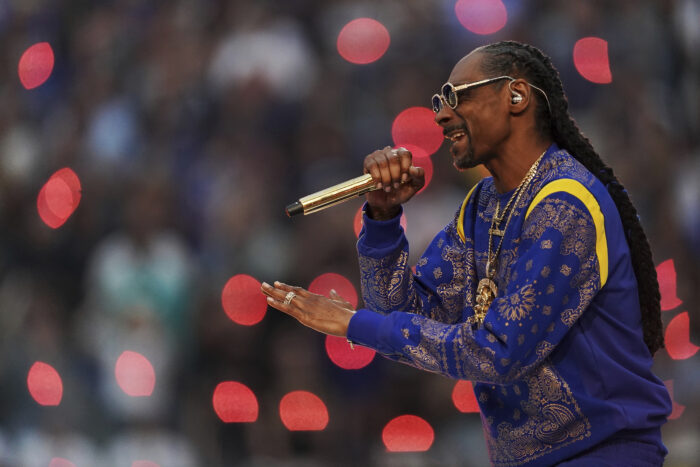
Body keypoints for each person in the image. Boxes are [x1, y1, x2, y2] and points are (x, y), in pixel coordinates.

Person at [261, 41, 671, 466]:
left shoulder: (565, 202)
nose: (440, 114)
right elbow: (402, 313)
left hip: (603, 454)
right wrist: (383, 220)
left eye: (457, 96)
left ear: (516, 96)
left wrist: (353, 324)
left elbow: (498, 350)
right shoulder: (483, 205)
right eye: (440, 100)